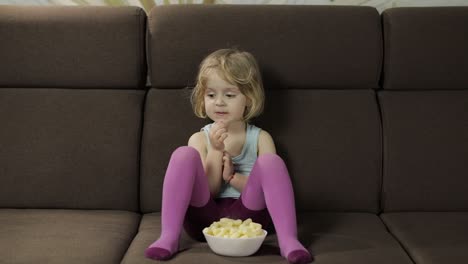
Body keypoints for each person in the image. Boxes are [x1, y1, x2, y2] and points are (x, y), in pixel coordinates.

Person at [145, 48, 313, 264]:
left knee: (271, 162)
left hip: (251, 219)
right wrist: (215, 150)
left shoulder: (260, 138)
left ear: (249, 98)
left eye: (230, 95)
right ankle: (168, 236)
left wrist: (233, 177)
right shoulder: (199, 139)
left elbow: (267, 194)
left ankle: (288, 240)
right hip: (204, 219)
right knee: (183, 155)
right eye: (211, 95)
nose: (219, 102)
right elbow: (211, 190)